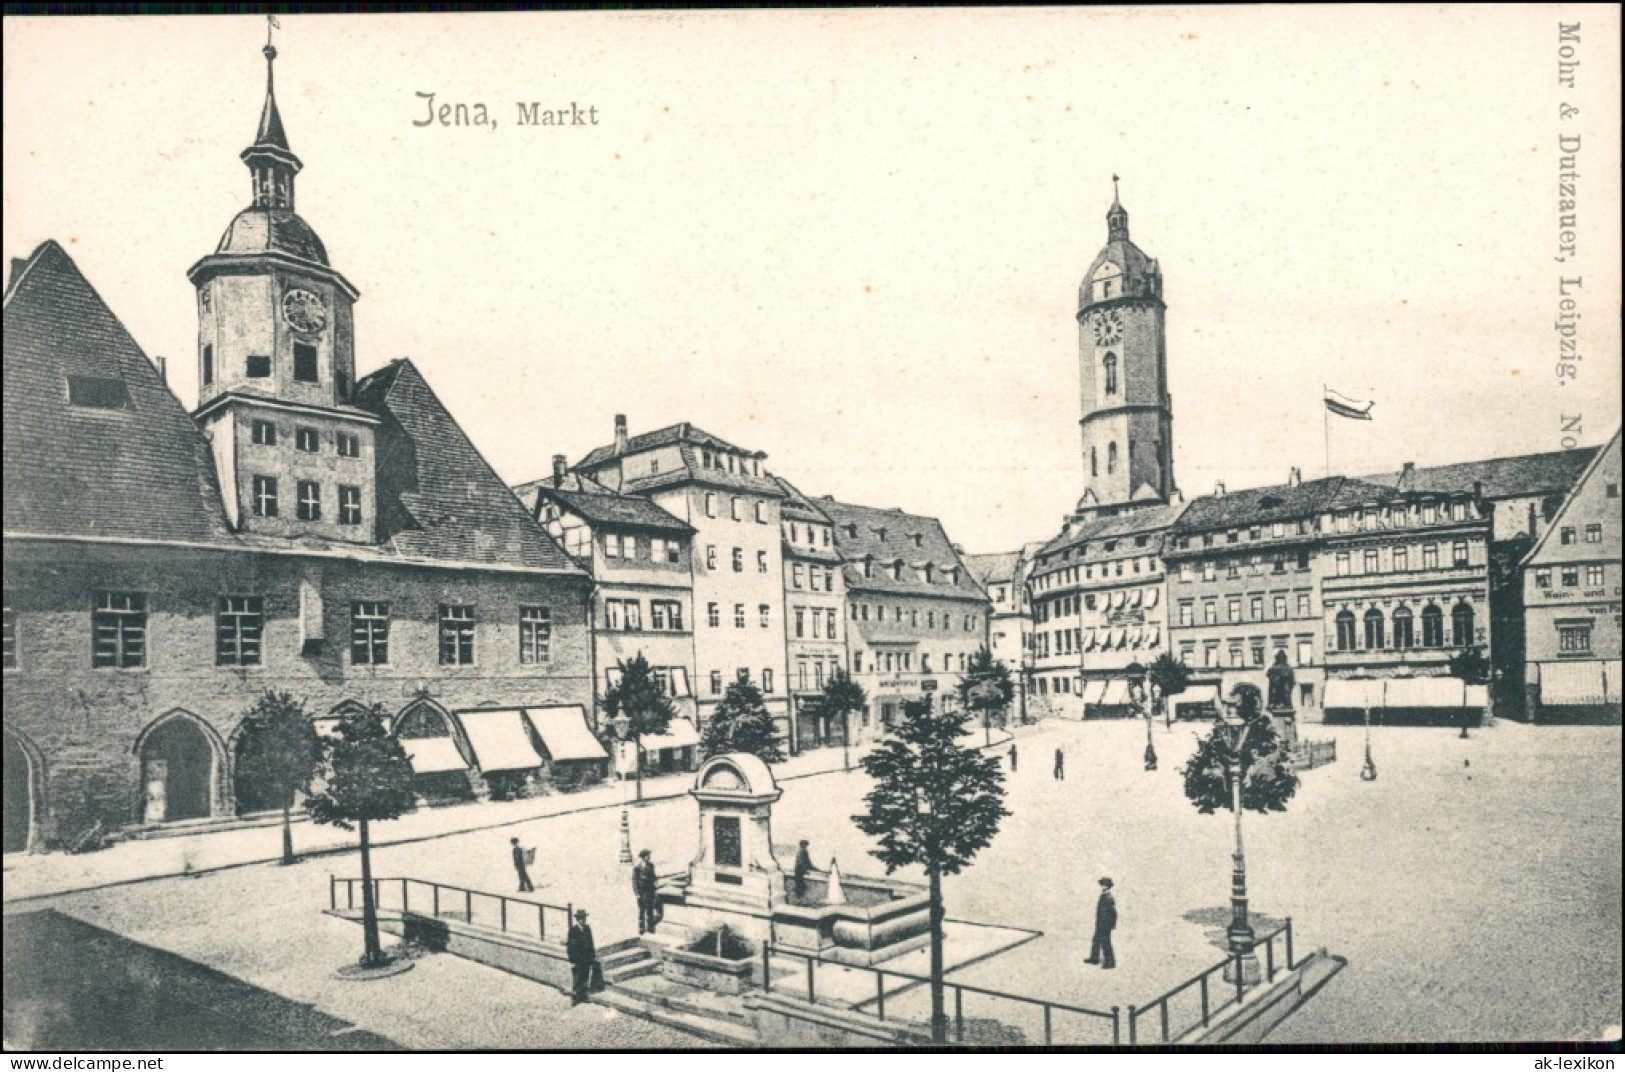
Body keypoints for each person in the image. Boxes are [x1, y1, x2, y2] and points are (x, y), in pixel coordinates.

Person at [1085, 877, 1117, 969]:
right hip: (1100, 923)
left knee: (1105, 942)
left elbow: (1113, 913)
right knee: (1096, 940)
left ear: (1108, 887)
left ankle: (1110, 962)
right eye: (1102, 885)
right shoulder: (1103, 896)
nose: (1102, 886)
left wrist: (1111, 925)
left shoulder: (1109, 897)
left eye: (1104, 885)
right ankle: (1094, 958)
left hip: (1105, 925)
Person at [567, 909, 597, 1005]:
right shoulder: (573, 930)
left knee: (585, 977)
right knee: (578, 979)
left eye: (584, 918)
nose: (582, 920)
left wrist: (592, 956)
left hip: (587, 958)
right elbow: (570, 947)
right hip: (578, 959)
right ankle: (576, 997)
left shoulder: (587, 928)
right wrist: (573, 959)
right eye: (580, 918)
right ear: (577, 919)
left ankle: (583, 996)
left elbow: (591, 943)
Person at [633, 849, 659, 935]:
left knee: (650, 910)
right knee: (641, 912)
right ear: (643, 857)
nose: (649, 857)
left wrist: (656, 883)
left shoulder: (651, 866)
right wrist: (637, 894)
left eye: (649, 855)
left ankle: (650, 928)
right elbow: (634, 881)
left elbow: (654, 876)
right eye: (647, 856)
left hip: (650, 891)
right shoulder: (637, 867)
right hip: (642, 892)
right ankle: (641, 929)